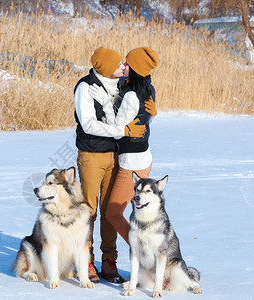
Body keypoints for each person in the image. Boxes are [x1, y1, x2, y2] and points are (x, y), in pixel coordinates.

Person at [74, 47, 145, 284]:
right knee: (89, 211)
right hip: (92, 155)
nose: (124, 67)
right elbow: (88, 124)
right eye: (118, 65)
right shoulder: (85, 87)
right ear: (105, 68)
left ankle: (109, 260)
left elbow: (143, 83)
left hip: (116, 157)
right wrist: (121, 130)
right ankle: (86, 259)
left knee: (109, 212)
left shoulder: (122, 86)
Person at [89, 47, 158, 245]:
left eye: (127, 63)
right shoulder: (147, 87)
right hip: (142, 157)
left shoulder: (130, 95)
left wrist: (105, 103)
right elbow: (144, 118)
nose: (123, 65)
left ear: (136, 68)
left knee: (113, 214)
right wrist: (154, 114)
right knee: (130, 213)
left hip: (132, 162)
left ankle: (144, 252)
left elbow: (118, 126)